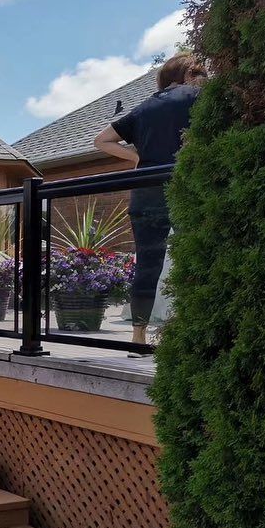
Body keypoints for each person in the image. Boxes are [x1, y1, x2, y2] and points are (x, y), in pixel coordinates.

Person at [94, 53, 206, 346]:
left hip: (145, 192)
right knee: (196, 259)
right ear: (188, 74)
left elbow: (101, 140)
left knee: (147, 264)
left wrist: (137, 156)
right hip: (184, 190)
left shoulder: (145, 108)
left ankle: (138, 337)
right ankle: (191, 330)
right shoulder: (197, 96)